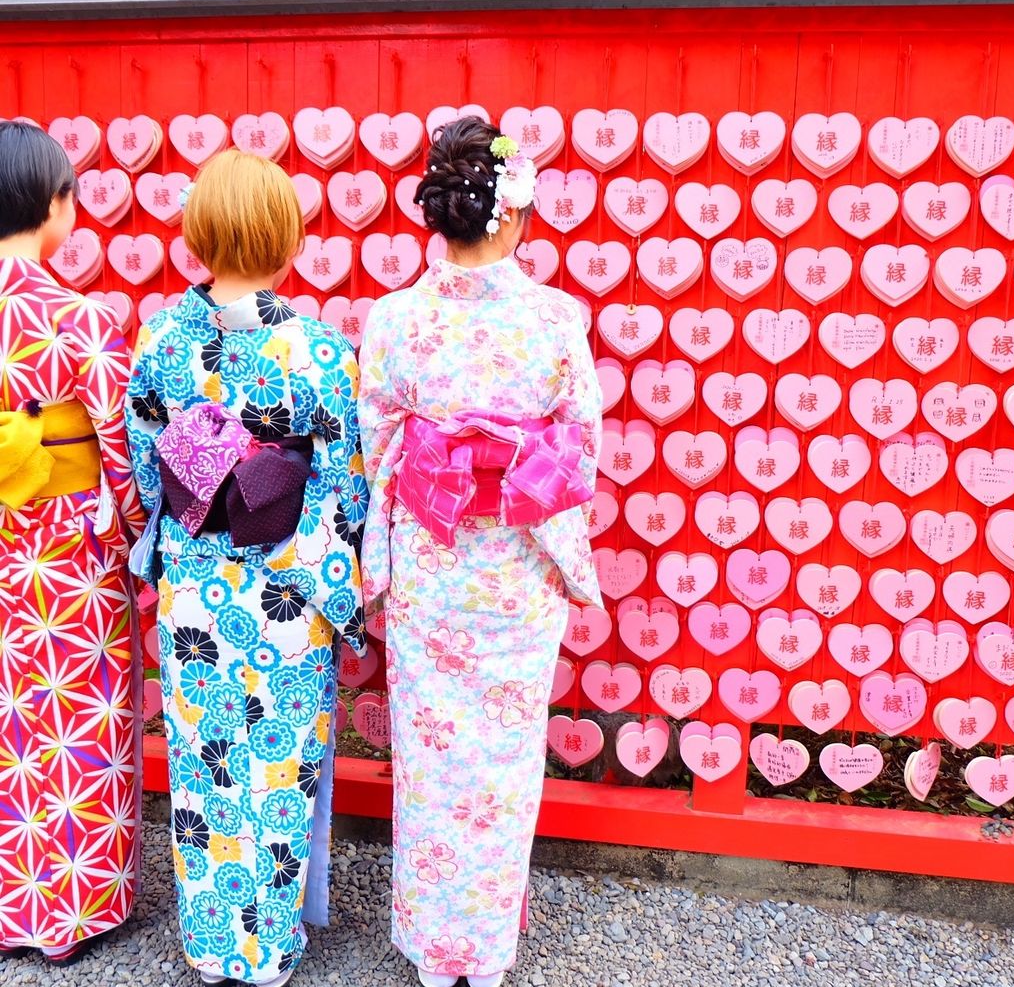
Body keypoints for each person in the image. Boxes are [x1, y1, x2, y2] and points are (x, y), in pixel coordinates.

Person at [358, 117, 603, 987]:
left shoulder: (393, 320)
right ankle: (484, 947)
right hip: (516, 570)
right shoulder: (553, 318)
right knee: (499, 758)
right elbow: (580, 442)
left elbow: (376, 437)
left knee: (431, 757)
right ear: (512, 214)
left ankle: (437, 947)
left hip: (433, 557)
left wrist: (438, 457)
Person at [125, 149, 365, 987]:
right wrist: (334, 588)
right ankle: (264, 947)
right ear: (286, 236)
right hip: (288, 593)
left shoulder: (160, 343)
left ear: (199, 234)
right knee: (273, 767)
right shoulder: (321, 353)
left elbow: (148, 476)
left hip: (194, 592)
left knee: (204, 764)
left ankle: (209, 940)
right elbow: (342, 485)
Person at [0, 121, 146, 963]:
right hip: (65, 559)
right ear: (57, 206)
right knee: (74, 720)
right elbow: (118, 449)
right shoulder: (76, 316)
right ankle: (71, 911)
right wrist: (135, 535)